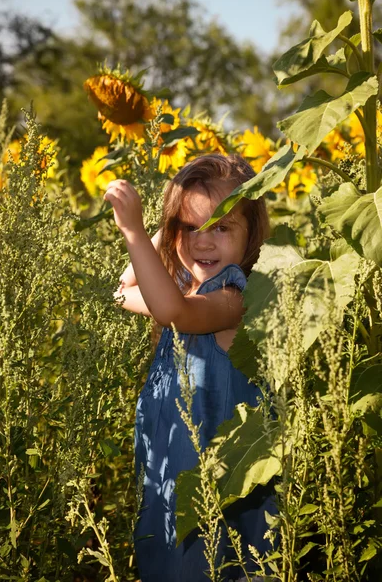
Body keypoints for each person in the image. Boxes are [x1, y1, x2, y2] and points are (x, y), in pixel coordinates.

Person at [104, 154, 276, 582]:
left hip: (216, 485)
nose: (203, 242)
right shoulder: (183, 288)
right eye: (190, 228)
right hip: (171, 480)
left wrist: (135, 231)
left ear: (250, 234)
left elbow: (172, 312)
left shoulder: (234, 298)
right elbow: (121, 292)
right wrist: (171, 221)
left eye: (220, 226)